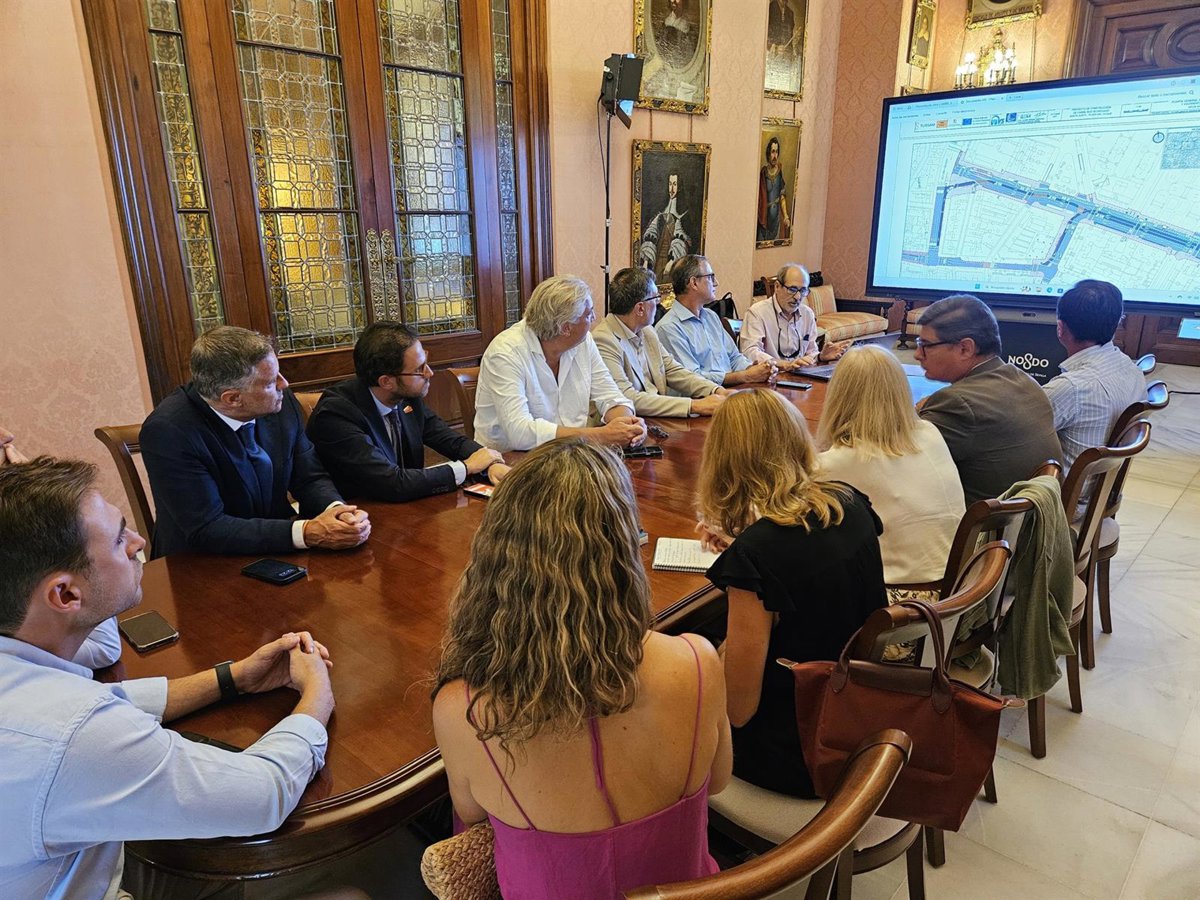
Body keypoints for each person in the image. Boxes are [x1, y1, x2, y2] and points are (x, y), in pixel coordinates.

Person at [0, 457, 334, 899]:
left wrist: (234, 678)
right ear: (65, 593)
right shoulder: (76, 735)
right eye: (119, 539)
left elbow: (105, 698)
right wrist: (317, 694)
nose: (139, 542)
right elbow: (263, 795)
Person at [432, 439, 732, 898]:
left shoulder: (465, 709)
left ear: (496, 560)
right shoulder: (697, 661)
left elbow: (471, 814)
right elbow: (719, 781)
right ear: (624, 549)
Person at [697, 390, 887, 797]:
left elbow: (737, 710)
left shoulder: (758, 555)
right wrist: (744, 545)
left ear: (722, 460)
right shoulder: (848, 501)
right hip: (861, 714)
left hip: (796, 751)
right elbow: (806, 557)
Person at [141, 326, 371, 558]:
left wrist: (337, 510)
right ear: (233, 398)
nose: (284, 384)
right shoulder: (169, 432)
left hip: (277, 547)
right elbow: (207, 527)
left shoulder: (280, 402)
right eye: (270, 382)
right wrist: (306, 532)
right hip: (201, 562)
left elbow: (309, 477)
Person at [817, 345, 965, 592]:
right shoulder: (929, 433)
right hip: (958, 586)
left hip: (899, 600)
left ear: (838, 396)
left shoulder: (837, 463)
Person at [307, 322, 509, 502]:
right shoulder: (336, 415)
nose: (429, 373)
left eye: (426, 362)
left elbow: (450, 440)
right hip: (355, 518)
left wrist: (489, 463)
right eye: (419, 369)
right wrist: (466, 467)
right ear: (386, 381)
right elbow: (391, 482)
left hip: (403, 509)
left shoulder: (406, 397)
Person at [916, 295, 1063, 505]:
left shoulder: (956, 404)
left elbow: (899, 462)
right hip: (1031, 519)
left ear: (965, 348)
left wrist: (915, 414)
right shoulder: (1025, 381)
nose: (917, 354)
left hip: (984, 524)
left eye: (926, 345)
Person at [474, 275, 646, 452]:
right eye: (589, 314)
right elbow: (520, 433)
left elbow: (610, 395)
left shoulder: (583, 341)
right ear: (566, 328)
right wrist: (601, 435)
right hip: (511, 459)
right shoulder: (505, 353)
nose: (594, 318)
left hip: (572, 453)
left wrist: (628, 425)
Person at [592, 267, 728, 418]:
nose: (659, 303)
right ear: (640, 308)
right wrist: (694, 406)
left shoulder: (647, 331)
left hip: (656, 417)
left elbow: (672, 370)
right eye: (656, 298)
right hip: (632, 421)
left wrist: (715, 390)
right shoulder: (603, 340)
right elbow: (626, 397)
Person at [1044, 280, 1146, 469]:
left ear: (1060, 328)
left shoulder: (1070, 388)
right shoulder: (1132, 369)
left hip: (1058, 487)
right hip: (1094, 482)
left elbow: (1012, 436)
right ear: (1117, 323)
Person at [655, 255, 777, 389]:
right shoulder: (668, 328)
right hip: (702, 398)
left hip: (732, 391)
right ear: (694, 283)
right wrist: (745, 376)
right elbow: (692, 379)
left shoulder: (711, 316)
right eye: (711, 277)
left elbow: (734, 357)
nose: (716, 283)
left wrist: (755, 369)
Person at [740, 263, 850, 369]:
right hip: (770, 375)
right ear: (777, 286)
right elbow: (750, 352)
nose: (797, 297)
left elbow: (811, 352)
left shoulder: (807, 314)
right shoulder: (757, 312)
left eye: (803, 290)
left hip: (800, 375)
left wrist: (820, 356)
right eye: (792, 289)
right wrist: (784, 364)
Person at [637, 173, 692, 281]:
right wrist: (647, 259)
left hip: (672, 261)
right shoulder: (661, 210)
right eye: (670, 184)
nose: (671, 189)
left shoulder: (684, 213)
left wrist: (672, 261)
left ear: (679, 187)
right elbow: (652, 232)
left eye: (674, 184)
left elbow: (680, 239)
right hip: (658, 257)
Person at [757, 137, 792, 242]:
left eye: (776, 152)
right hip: (764, 221)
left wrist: (785, 216)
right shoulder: (763, 173)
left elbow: (782, 196)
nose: (775, 156)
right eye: (773, 152)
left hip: (776, 222)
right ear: (768, 153)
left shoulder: (779, 172)